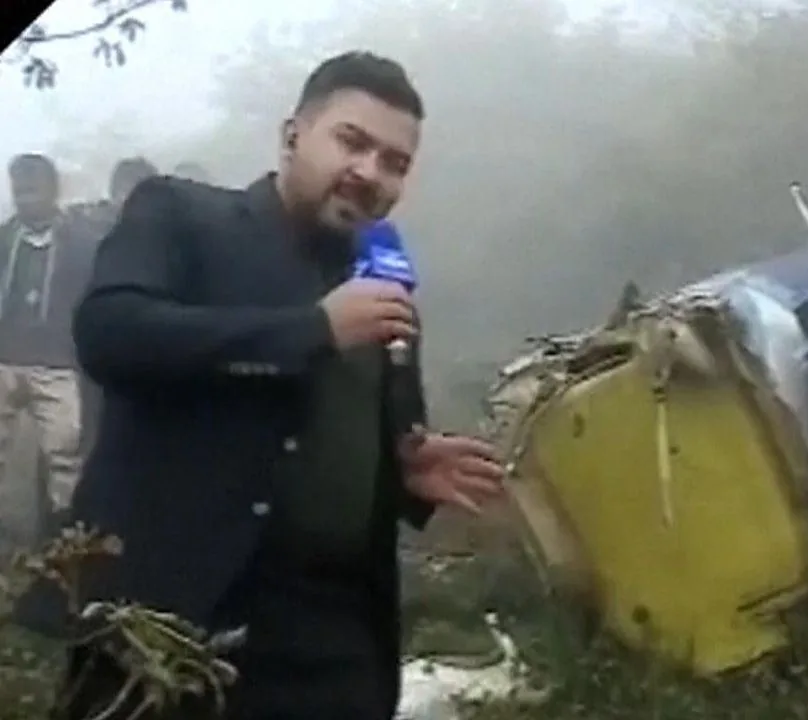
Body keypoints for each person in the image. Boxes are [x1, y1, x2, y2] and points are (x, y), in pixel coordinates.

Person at [53, 51, 506, 719]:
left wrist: (404, 474)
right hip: (172, 627)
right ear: (294, 134)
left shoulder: (385, 283)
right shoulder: (182, 215)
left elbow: (353, 439)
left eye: (394, 163)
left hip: (335, 644)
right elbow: (110, 332)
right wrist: (310, 329)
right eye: (352, 141)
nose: (369, 173)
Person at [0, 154, 96, 523]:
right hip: (5, 358)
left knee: (64, 449)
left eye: (32, 190)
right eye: (18, 191)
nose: (25, 199)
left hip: (56, 361)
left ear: (53, 190)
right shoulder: (5, 237)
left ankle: (62, 528)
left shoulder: (81, 242)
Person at [74, 156, 159, 454]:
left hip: (143, 356)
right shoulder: (85, 233)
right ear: (113, 192)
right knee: (82, 435)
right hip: (91, 355)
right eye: (125, 190)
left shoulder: (163, 238)